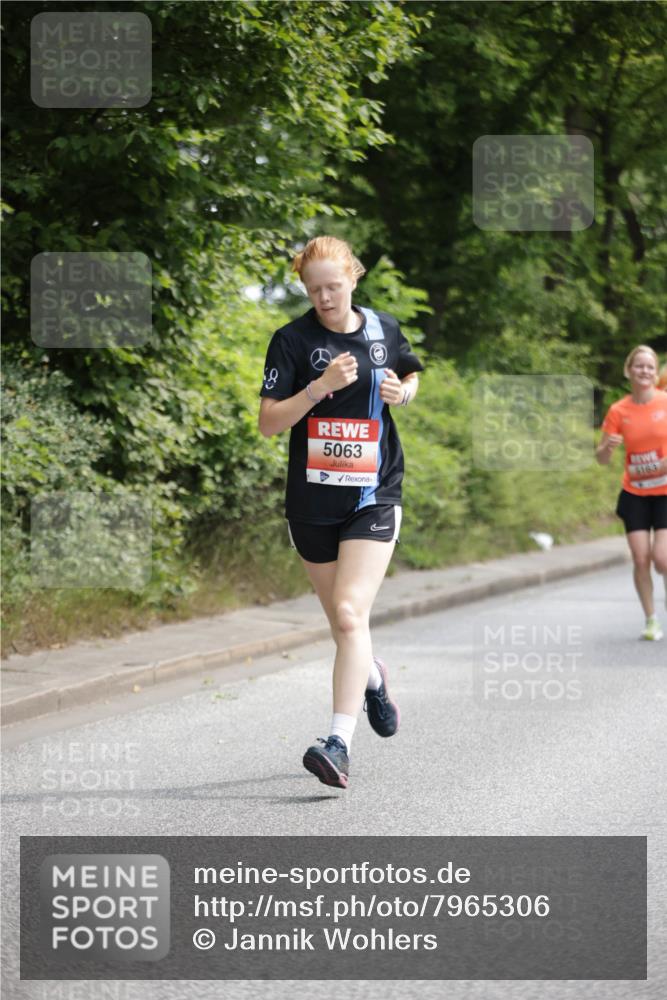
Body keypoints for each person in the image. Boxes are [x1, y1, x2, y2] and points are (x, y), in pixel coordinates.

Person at [258, 236, 424, 788]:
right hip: (311, 503)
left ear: (353, 277)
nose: (325, 297)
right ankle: (374, 679)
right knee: (342, 625)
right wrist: (318, 388)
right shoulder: (292, 340)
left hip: (375, 493)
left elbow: (410, 371)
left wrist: (405, 393)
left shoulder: (384, 329)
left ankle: (338, 743)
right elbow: (269, 422)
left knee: (351, 615)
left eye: (334, 285)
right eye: (314, 289)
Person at [596, 345, 667, 641]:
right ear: (629, 370)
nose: (645, 371)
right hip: (635, 493)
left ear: (655, 373)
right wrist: (606, 448)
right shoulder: (618, 410)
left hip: (665, 492)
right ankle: (651, 620)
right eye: (639, 366)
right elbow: (600, 458)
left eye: (650, 367)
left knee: (662, 558)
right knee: (640, 559)